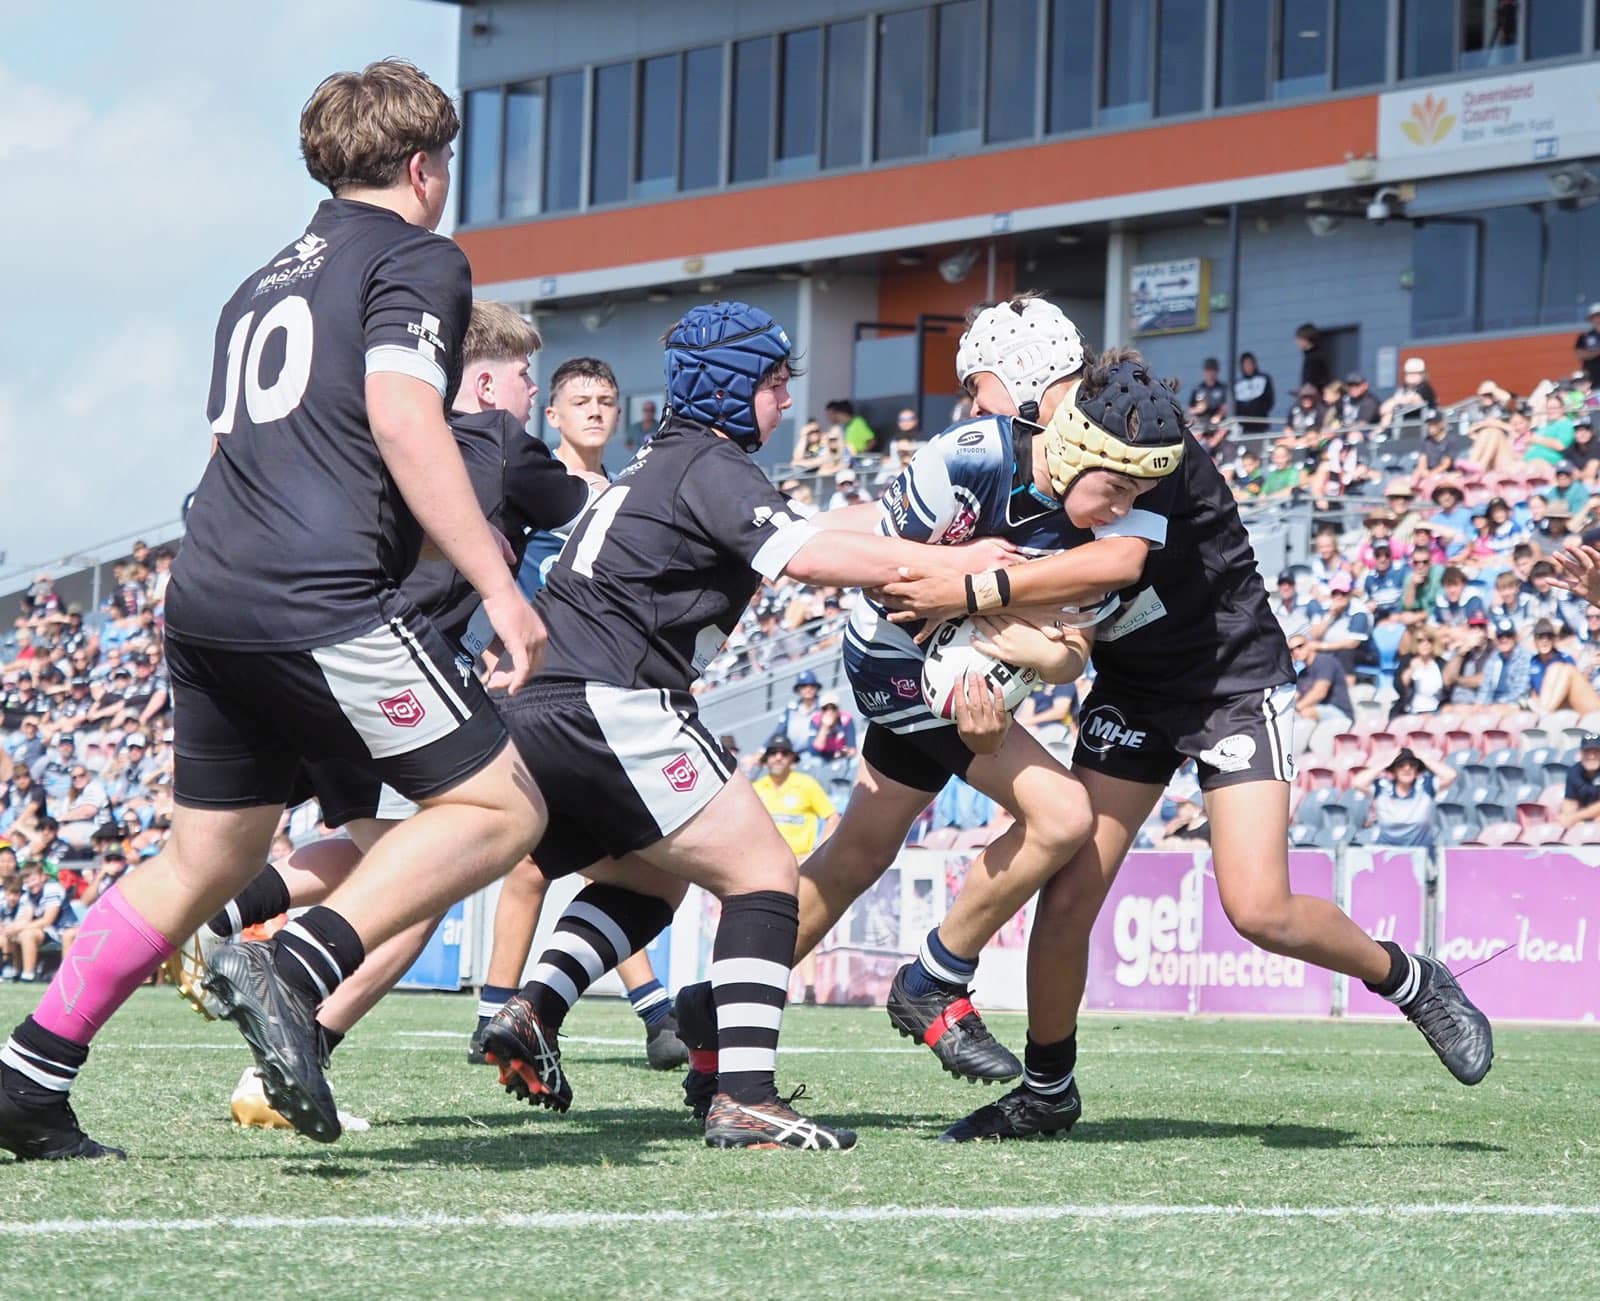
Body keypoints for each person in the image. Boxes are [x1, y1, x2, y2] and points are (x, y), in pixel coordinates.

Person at [0, 61, 551, 1162]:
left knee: (207, 853)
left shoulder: (256, 283)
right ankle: (298, 971)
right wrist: (499, 586)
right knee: (504, 809)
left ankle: (26, 1077)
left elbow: (221, 454)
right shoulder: (416, 255)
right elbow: (403, 415)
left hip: (207, 587)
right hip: (317, 590)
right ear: (423, 166)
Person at [475, 300, 1005, 1151]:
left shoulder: (677, 460)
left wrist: (923, 523)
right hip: (615, 699)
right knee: (762, 875)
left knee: (652, 878)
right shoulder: (711, 467)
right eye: (772, 381)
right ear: (728, 387)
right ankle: (746, 1095)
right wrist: (956, 563)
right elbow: (810, 557)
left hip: (554, 703)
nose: (787, 399)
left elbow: (815, 528)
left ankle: (533, 1008)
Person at [674, 300, 1185, 1119]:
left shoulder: (1093, 505)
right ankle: (934, 977)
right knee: (1061, 816)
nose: (1124, 509)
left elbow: (1065, 656)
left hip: (958, 663)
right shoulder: (971, 458)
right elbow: (884, 576)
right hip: (894, 653)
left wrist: (1002, 632)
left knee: (857, 854)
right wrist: (980, 619)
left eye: (981, 385)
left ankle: (713, 1013)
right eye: (1118, 490)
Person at [751, 735, 838, 1005]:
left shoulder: (806, 785)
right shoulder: (756, 787)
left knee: (801, 924)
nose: (778, 757)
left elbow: (833, 817)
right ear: (766, 759)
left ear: (792, 759)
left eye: (784, 753)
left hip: (800, 863)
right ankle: (771, 985)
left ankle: (809, 989)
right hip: (765, 866)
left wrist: (818, 853)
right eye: (774, 752)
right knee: (763, 927)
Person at [1351, 748, 1456, 849]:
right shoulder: (1382, 787)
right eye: (1401, 765)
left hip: (1421, 854)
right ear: (1394, 770)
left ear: (1417, 769)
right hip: (1387, 855)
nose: (1407, 768)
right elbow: (1357, 782)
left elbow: (1451, 775)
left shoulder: (1426, 786)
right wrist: (1384, 764)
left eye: (1412, 765)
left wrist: (1422, 758)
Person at [1557, 733, 1600, 829]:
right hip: (1584, 816)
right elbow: (1570, 802)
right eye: (1587, 751)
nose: (1591, 756)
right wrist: (1568, 818)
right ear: (1580, 753)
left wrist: (1575, 817)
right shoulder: (1574, 772)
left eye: (1596, 751)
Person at [1231, 352, 1274, 429]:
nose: (1248, 367)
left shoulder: (1263, 379)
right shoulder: (1238, 384)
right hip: (1244, 425)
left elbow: (1269, 400)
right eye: (1245, 365)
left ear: (1254, 364)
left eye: (1249, 364)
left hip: (1261, 423)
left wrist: (1259, 411)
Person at [1575, 304, 1600, 389]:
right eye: (1596, 317)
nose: (1598, 319)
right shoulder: (1585, 337)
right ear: (1591, 319)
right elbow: (1580, 354)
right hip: (1593, 381)